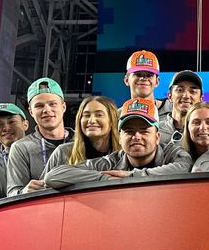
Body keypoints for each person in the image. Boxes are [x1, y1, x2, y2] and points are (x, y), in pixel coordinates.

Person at [44, 98, 192, 189]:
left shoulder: (172, 152)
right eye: (129, 131)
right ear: (120, 138)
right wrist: (106, 179)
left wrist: (131, 176)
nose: (136, 136)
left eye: (144, 131)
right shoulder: (111, 162)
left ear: (158, 137)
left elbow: (185, 167)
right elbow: (53, 176)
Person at [7, 78, 72, 196]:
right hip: (42, 207)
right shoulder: (21, 148)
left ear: (63, 107)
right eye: (39, 106)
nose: (46, 110)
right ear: (31, 111)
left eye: (52, 104)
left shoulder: (82, 140)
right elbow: (12, 192)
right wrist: (24, 192)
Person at [41, 96, 121, 174]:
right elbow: (44, 182)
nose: (91, 120)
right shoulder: (62, 152)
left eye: (99, 115)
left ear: (112, 120)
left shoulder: (124, 153)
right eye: (86, 115)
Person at [159, 70, 203, 144]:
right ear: (169, 96)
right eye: (180, 90)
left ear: (201, 99)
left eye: (192, 91)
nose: (186, 96)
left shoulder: (204, 132)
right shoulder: (155, 130)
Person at [124, 50, 169, 115]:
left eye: (149, 75)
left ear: (157, 81)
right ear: (126, 80)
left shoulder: (173, 109)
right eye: (138, 74)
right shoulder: (118, 115)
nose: (143, 78)